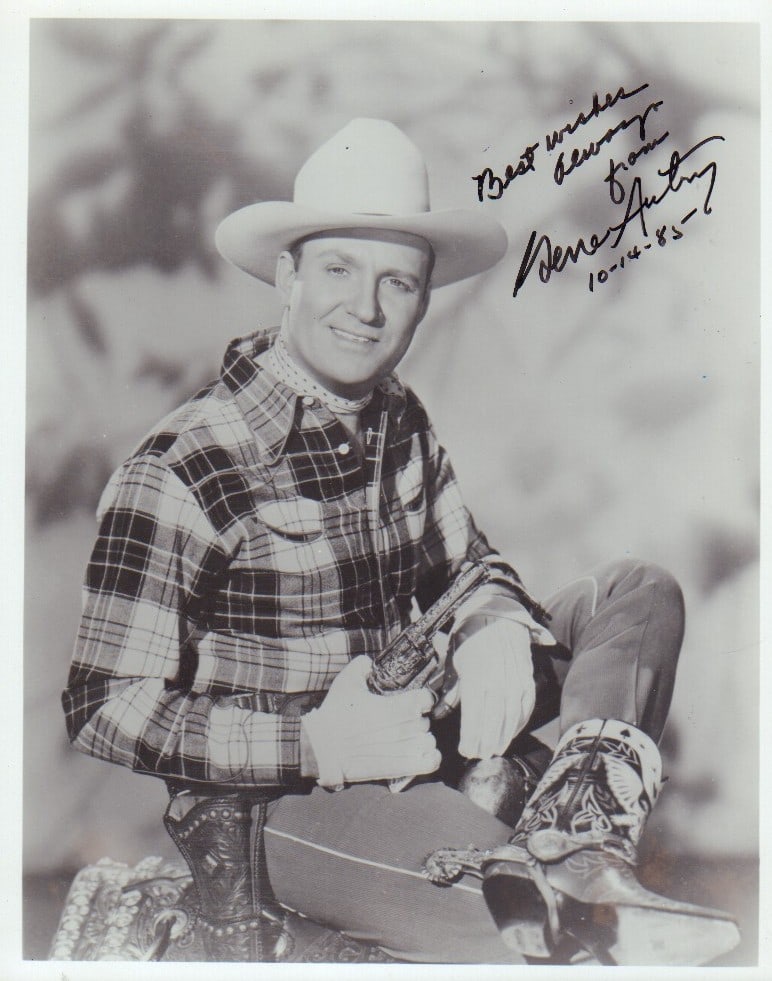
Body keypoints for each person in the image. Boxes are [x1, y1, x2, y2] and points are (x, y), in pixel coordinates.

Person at [62, 118, 738, 965]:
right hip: (290, 800)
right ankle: (544, 887)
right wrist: (313, 742)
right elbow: (102, 705)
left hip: (427, 728)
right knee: (531, 933)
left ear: (423, 297)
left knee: (638, 592)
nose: (368, 307)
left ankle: (576, 841)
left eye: (400, 282)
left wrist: (492, 619)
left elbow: (474, 567)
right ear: (287, 277)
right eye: (340, 269)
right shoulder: (183, 465)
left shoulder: (397, 419)